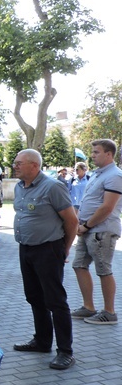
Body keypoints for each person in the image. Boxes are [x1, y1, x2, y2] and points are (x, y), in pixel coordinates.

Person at [12, 149, 78, 369]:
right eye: (15, 162)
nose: (15, 165)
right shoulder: (19, 187)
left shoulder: (53, 187)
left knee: (56, 301)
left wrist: (64, 250)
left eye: (19, 163)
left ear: (34, 165)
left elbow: (71, 221)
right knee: (34, 297)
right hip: (26, 249)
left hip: (48, 250)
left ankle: (65, 351)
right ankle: (42, 341)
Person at [71, 139, 122, 325]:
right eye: (92, 152)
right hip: (88, 229)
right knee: (79, 265)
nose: (92, 155)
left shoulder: (115, 175)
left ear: (109, 154)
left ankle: (109, 312)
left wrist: (87, 225)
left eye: (96, 152)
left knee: (103, 269)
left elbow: (107, 207)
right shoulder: (97, 174)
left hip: (102, 230)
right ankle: (88, 307)